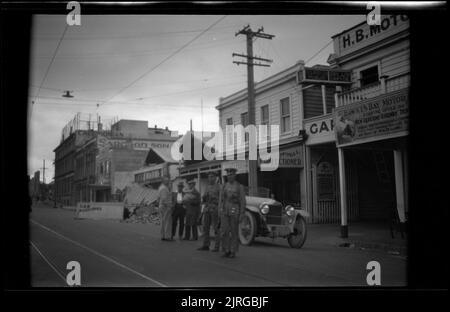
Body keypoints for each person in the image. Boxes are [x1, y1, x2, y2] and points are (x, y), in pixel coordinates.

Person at [219, 167, 246, 258]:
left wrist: (242, 214)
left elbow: (243, 201)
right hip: (225, 210)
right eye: (228, 175)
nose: (229, 176)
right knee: (224, 231)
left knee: (234, 232)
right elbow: (221, 199)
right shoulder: (224, 186)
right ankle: (226, 250)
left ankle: (233, 251)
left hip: (235, 209)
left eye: (231, 174)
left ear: (235, 175)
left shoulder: (239, 186)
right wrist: (220, 210)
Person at [197, 172, 221, 251]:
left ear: (215, 178)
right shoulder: (207, 187)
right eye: (209, 177)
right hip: (207, 208)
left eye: (212, 177)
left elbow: (221, 200)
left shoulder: (218, 187)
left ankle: (217, 246)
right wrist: (204, 197)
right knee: (205, 227)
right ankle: (206, 245)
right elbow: (203, 199)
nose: (210, 178)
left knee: (215, 227)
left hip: (214, 208)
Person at [158, 177, 173, 241]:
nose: (168, 182)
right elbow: (164, 199)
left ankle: (163, 235)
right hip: (165, 206)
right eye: (167, 181)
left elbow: (159, 198)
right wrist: (169, 205)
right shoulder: (164, 188)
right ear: (163, 181)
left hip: (162, 206)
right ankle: (167, 236)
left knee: (163, 221)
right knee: (167, 222)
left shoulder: (161, 187)